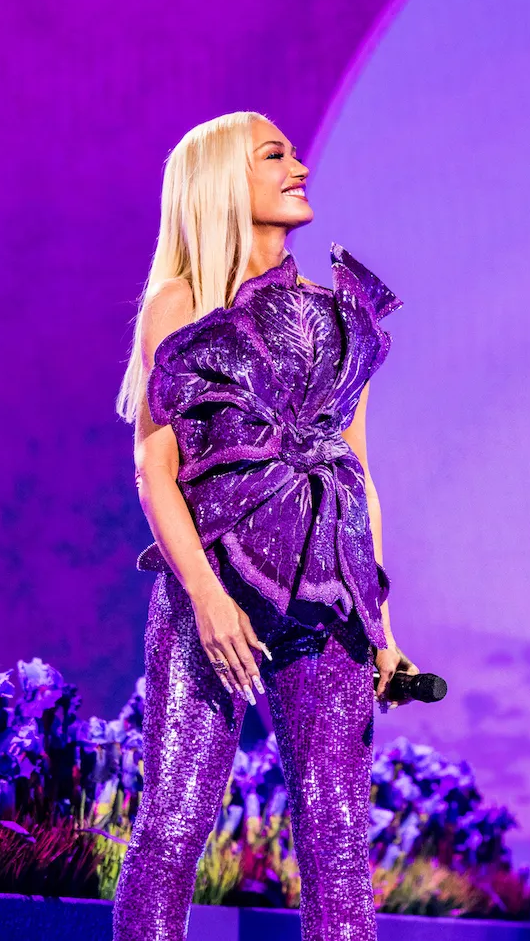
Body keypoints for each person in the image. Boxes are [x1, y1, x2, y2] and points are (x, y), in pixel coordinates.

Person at [112, 111, 413, 940]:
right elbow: (153, 471)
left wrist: (379, 620)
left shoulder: (338, 315)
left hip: (328, 603)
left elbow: (355, 476)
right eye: (273, 154)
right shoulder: (181, 303)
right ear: (221, 183)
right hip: (213, 591)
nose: (300, 165)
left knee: (339, 843)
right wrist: (207, 600)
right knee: (174, 825)